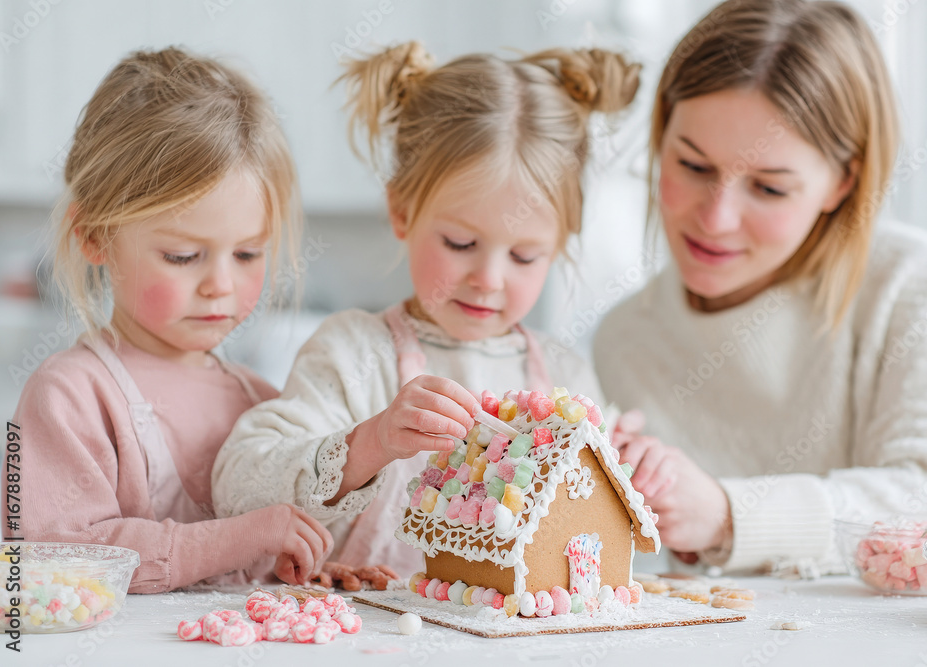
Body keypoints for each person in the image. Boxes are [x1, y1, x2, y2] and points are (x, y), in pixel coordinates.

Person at [213, 42, 643, 576]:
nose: (488, 279)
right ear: (401, 210)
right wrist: (371, 442)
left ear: (560, 242)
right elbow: (236, 488)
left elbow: (591, 540)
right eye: (461, 243)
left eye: (524, 256)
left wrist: (633, 472)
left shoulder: (565, 377)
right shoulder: (353, 353)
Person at [595, 0, 927, 572]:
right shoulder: (622, 339)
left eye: (769, 188)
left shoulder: (911, 286)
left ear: (842, 182)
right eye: (694, 166)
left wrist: (729, 516)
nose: (716, 219)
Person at [5, 47, 332, 593]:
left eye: (247, 254)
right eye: (183, 256)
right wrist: (237, 538)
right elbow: (46, 561)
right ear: (95, 236)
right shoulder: (68, 397)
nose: (221, 284)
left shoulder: (263, 401)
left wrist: (306, 565)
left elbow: (269, 568)